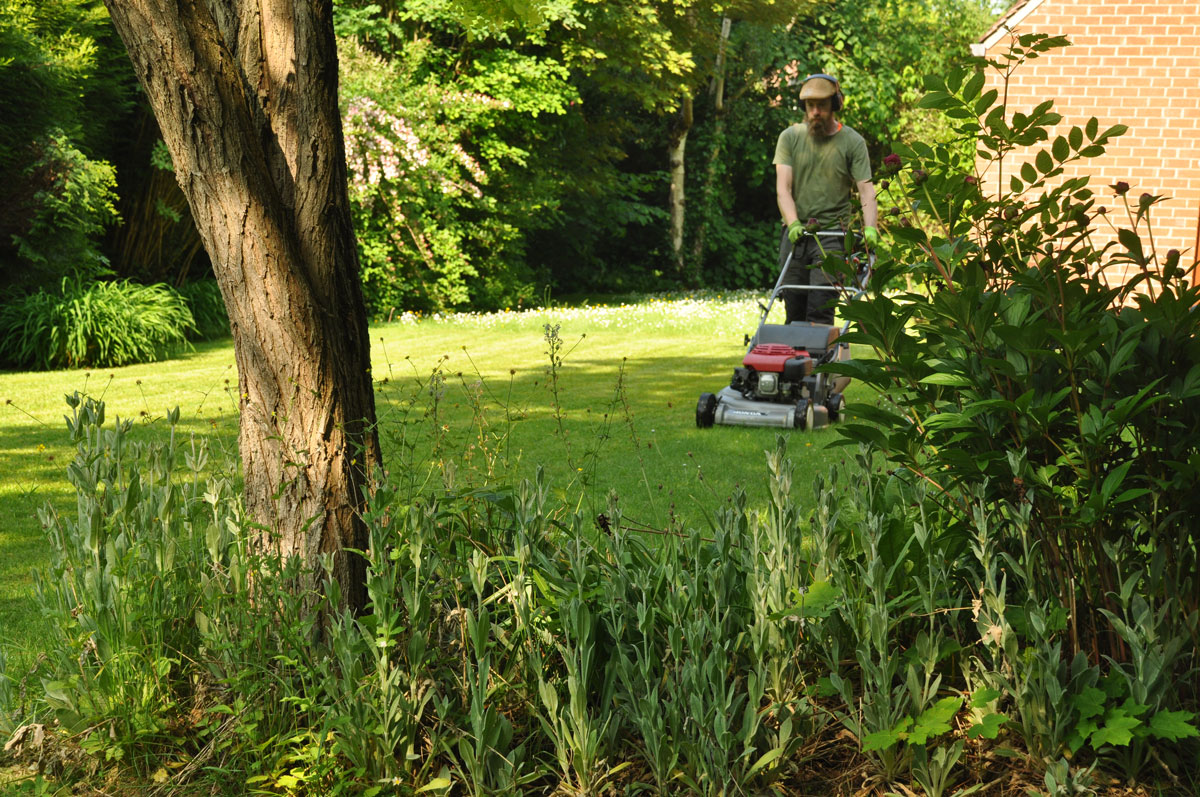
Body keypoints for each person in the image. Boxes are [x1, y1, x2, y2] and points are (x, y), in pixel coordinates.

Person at [773, 73, 878, 325]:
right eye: (810, 106)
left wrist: (871, 228)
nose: (815, 112)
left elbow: (866, 190)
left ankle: (821, 363)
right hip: (797, 235)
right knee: (794, 308)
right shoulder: (789, 138)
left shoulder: (852, 142)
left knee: (821, 307)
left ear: (835, 104)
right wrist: (794, 222)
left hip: (833, 236)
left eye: (821, 105)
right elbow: (783, 189)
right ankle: (795, 363)